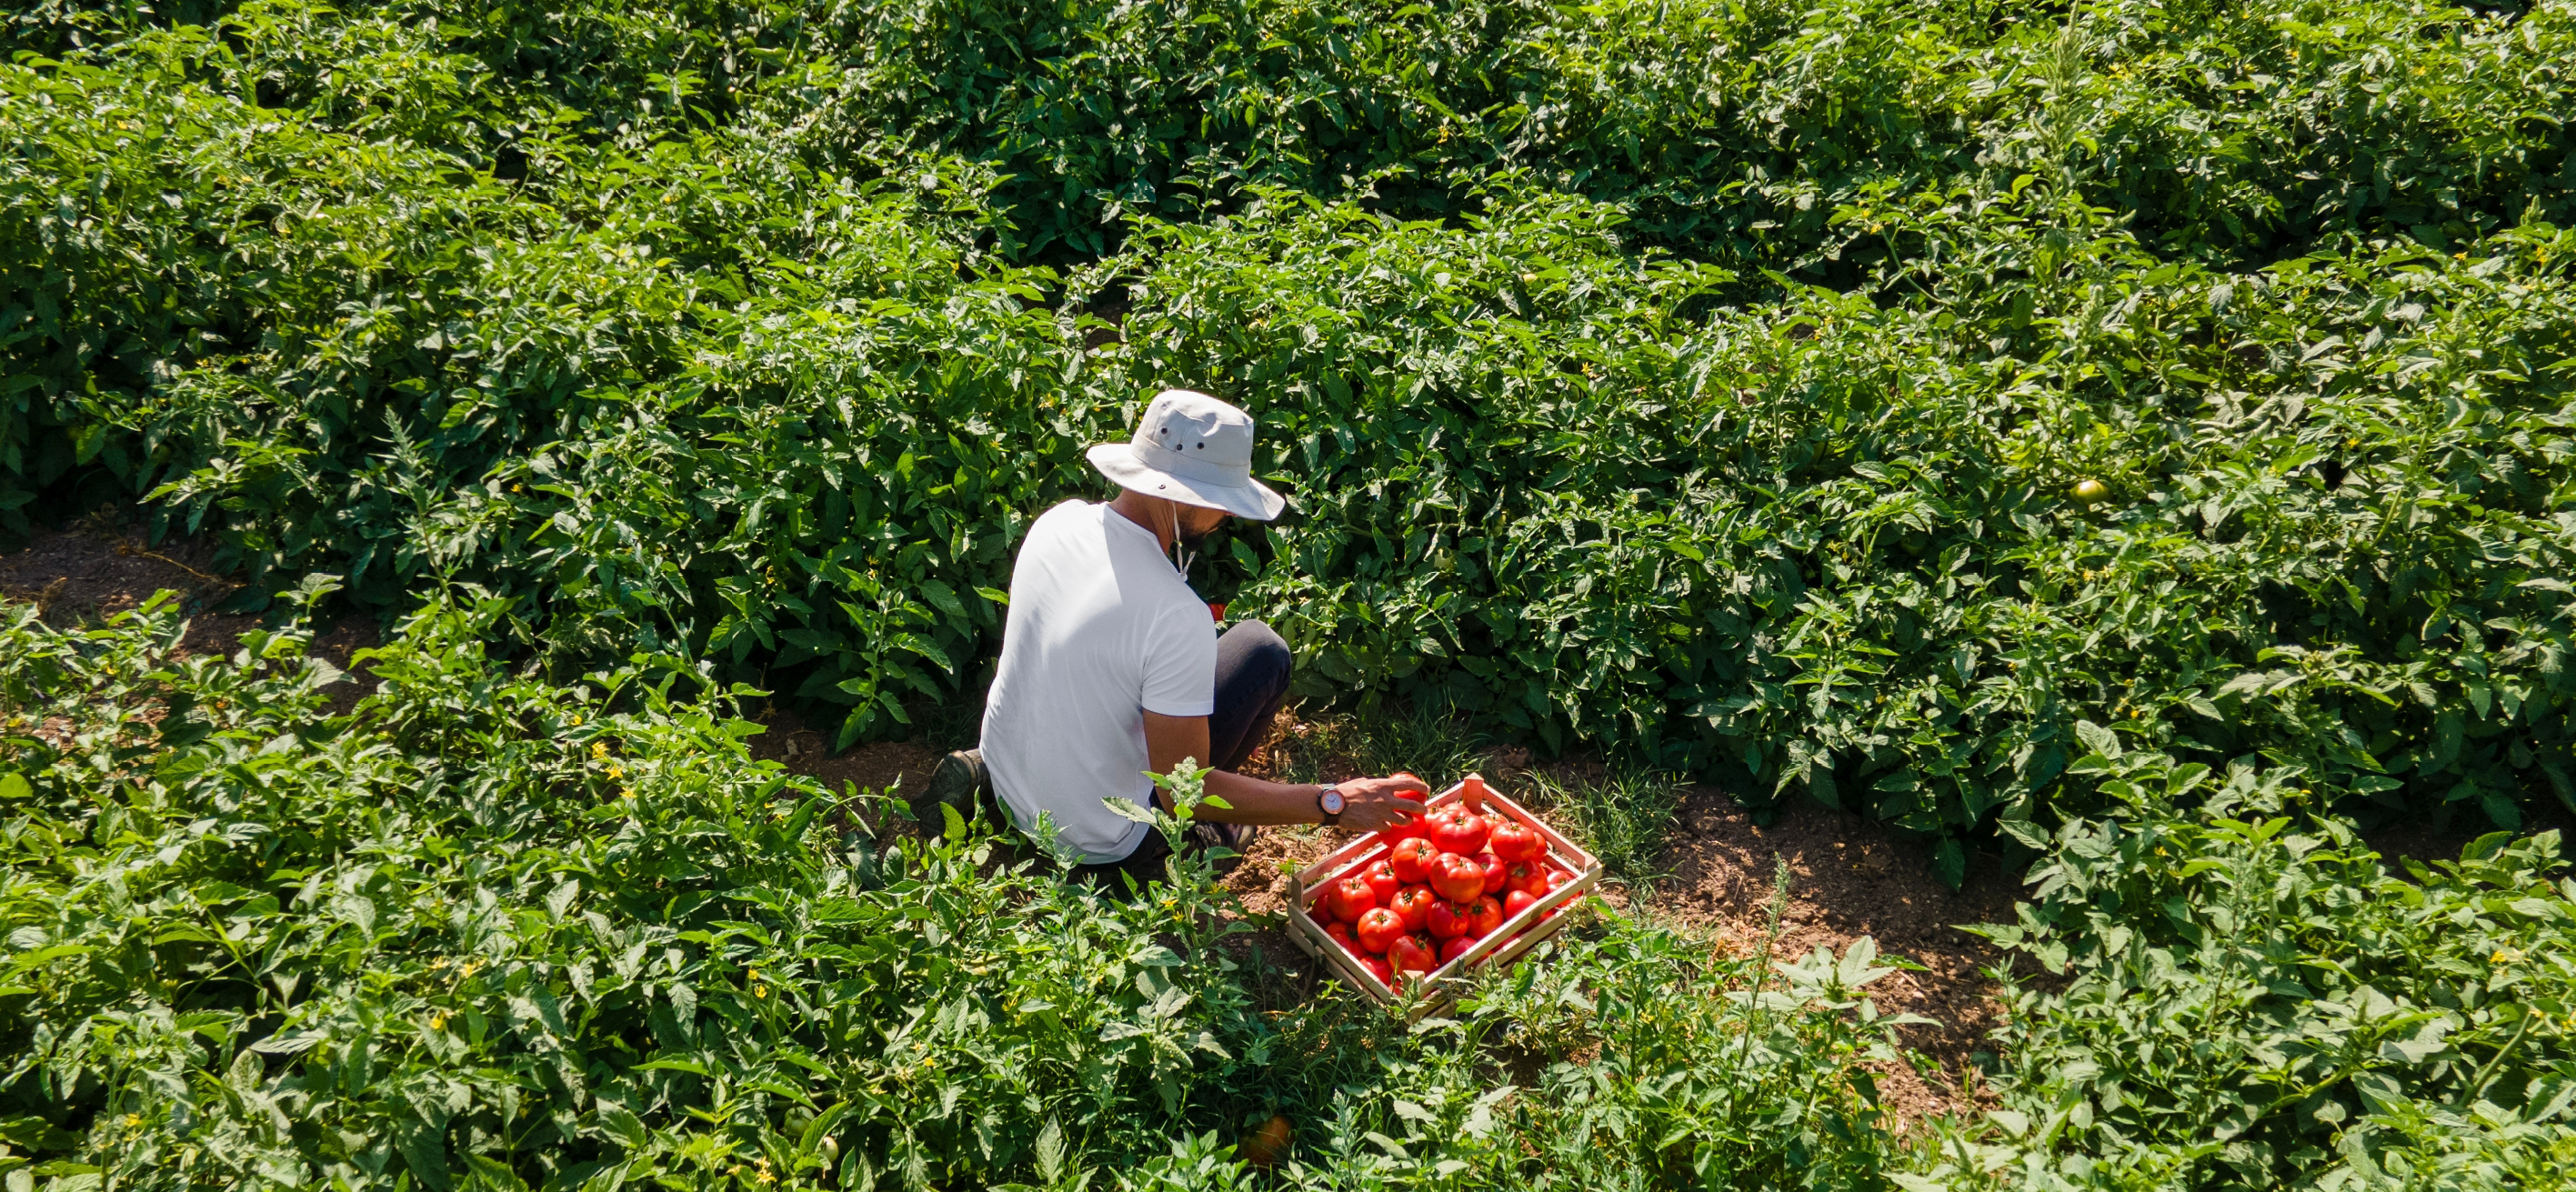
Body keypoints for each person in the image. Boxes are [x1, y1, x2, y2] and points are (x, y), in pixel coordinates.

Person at [915, 389, 1428, 891]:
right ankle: (1174, 847)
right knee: (1255, 676)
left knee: (1255, 648)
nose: (1228, 516)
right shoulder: (1175, 614)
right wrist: (1332, 802)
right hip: (1098, 843)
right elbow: (1190, 789)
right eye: (1223, 504)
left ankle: (991, 778)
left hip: (1011, 780)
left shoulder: (1059, 521)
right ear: (1183, 497)